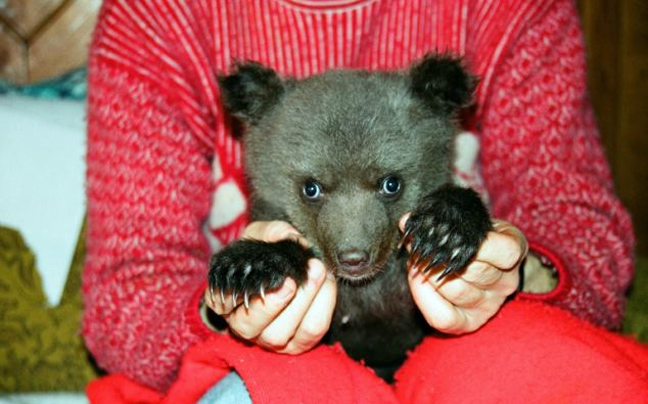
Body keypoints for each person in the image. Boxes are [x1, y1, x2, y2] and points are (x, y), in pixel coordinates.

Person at [83, 0, 645, 402]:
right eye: (312, 192)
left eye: (389, 186)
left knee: (554, 370)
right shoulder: (157, 16)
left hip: (474, 345)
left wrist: (515, 268)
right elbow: (124, 301)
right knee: (268, 387)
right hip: (294, 368)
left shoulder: (512, 8)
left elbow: (583, 234)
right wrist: (231, 304)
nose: (352, 244)